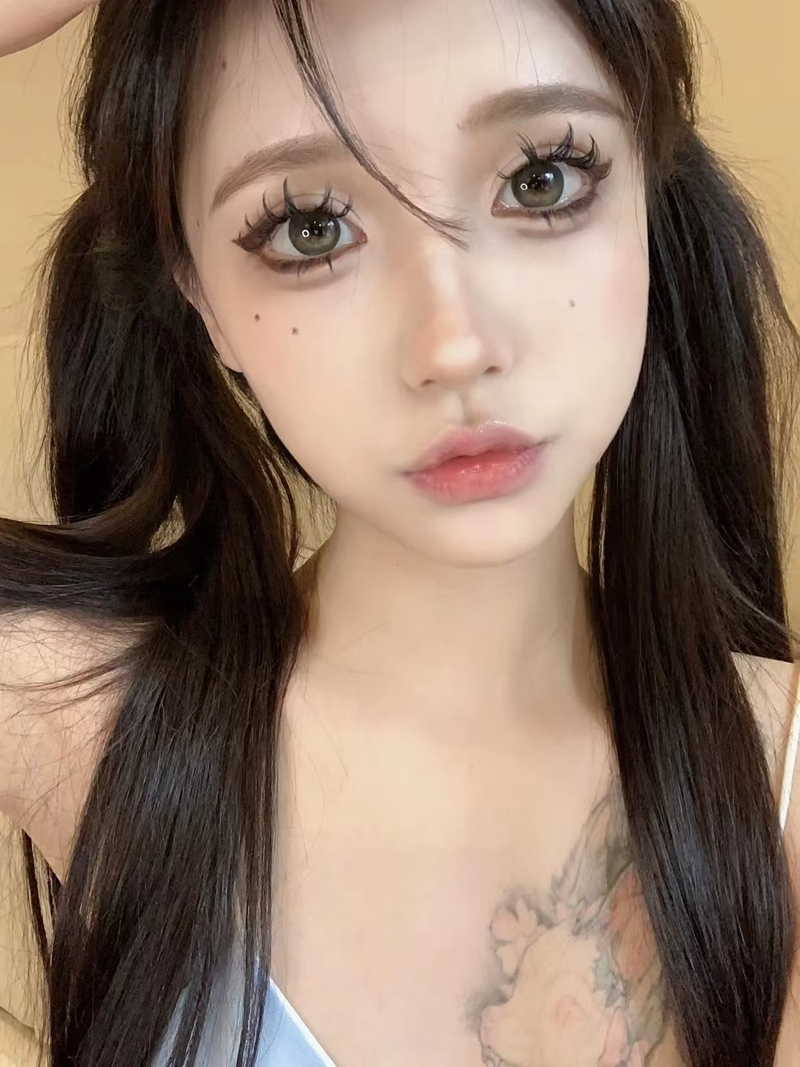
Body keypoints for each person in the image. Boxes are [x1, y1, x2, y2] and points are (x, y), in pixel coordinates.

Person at [0, 0, 798, 1064]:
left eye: (541, 179)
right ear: (197, 293)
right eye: (312, 228)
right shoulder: (86, 720)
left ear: (647, 188)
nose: (453, 342)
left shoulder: (779, 784)